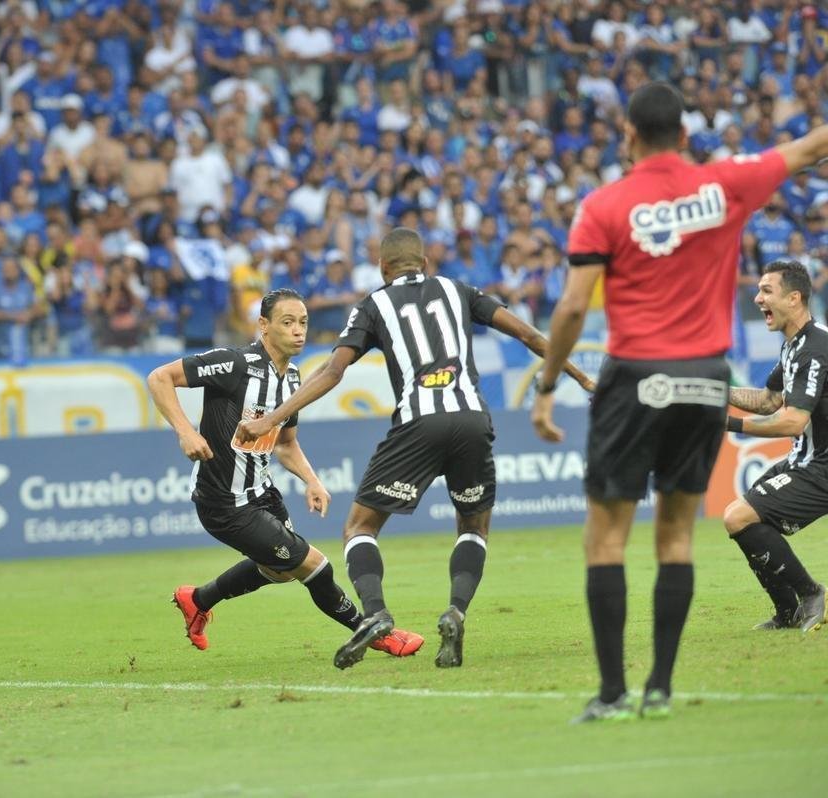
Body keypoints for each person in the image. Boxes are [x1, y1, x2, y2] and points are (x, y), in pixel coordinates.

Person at [529, 81, 828, 722]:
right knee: (677, 537)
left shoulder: (603, 204)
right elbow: (809, 149)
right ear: (686, 137)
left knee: (605, 539)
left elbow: (575, 305)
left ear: (628, 136)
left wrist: (550, 384)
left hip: (636, 377)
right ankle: (660, 690)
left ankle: (613, 694)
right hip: (701, 380)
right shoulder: (725, 184)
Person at [238, 229, 593, 670]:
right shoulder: (457, 289)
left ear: (384, 270)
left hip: (418, 424)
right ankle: (456, 611)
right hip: (471, 419)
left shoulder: (373, 304)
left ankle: (376, 612)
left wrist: (270, 419)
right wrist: (580, 377)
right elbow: (527, 334)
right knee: (473, 528)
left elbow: (333, 371)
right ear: (424, 264)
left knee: (359, 528)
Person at [147, 288, 424, 659]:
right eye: (288, 322)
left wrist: (311, 480)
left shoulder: (293, 378)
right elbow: (159, 377)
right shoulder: (234, 363)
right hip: (224, 504)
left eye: (303, 323)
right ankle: (373, 633)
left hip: (262, 494)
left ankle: (197, 600)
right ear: (263, 326)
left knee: (278, 571)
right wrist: (185, 431)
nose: (298, 331)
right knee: (313, 566)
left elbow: (285, 443)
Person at [721, 261, 826, 632]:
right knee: (743, 518)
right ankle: (787, 612)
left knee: (739, 516)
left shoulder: (815, 348)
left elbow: (793, 420)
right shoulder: (793, 346)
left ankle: (812, 594)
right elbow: (767, 401)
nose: (758, 297)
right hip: (806, 459)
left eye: (767, 290)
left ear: (794, 298)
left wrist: (729, 423)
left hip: (823, 467)